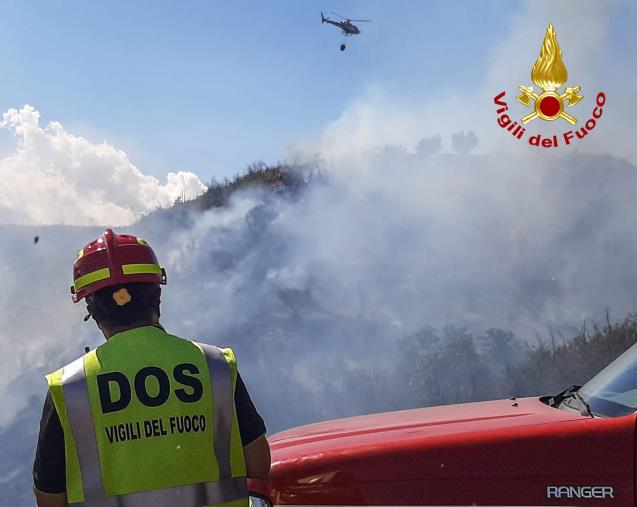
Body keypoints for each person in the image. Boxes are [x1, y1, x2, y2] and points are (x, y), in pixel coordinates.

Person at [33, 229, 270, 507]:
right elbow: (258, 464)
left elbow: (50, 500)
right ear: (156, 295)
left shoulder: (69, 388)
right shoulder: (214, 365)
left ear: (92, 309)